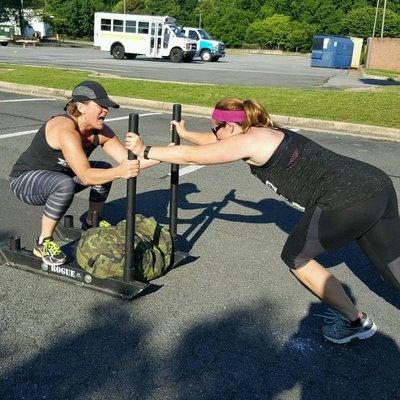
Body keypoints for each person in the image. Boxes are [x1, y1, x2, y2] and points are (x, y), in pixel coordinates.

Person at [125, 98, 400, 344]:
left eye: (215, 128)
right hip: (375, 185)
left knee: (295, 257)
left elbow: (192, 156)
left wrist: (145, 149)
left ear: (231, 127)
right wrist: (185, 133)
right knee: (393, 267)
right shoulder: (260, 131)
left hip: (346, 200)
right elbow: (216, 144)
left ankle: (355, 321)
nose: (213, 134)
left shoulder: (247, 142)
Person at [9, 80, 159, 266]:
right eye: (101, 106)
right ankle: (43, 243)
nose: (106, 111)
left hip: (61, 177)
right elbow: (87, 175)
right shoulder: (65, 129)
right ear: (81, 107)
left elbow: (127, 162)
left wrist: (166, 154)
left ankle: (91, 221)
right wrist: (120, 172)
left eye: (107, 106)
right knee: (65, 184)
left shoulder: (100, 131)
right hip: (25, 181)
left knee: (103, 170)